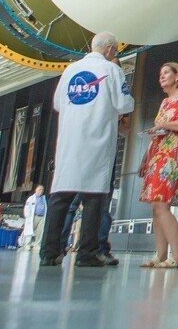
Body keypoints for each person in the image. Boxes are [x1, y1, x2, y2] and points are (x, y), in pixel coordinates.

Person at [40, 31, 134, 269]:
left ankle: (50, 253)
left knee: (61, 197)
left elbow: (58, 104)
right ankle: (87, 253)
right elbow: (124, 103)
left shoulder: (70, 71)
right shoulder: (112, 70)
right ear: (111, 49)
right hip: (97, 140)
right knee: (94, 198)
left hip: (70, 142)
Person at [139, 62, 178, 268]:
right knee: (156, 206)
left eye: (166, 73)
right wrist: (145, 159)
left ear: (177, 76)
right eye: (160, 73)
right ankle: (161, 254)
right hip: (157, 154)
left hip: (172, 154)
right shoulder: (164, 102)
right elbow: (158, 131)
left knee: (161, 203)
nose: (161, 76)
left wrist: (165, 125)